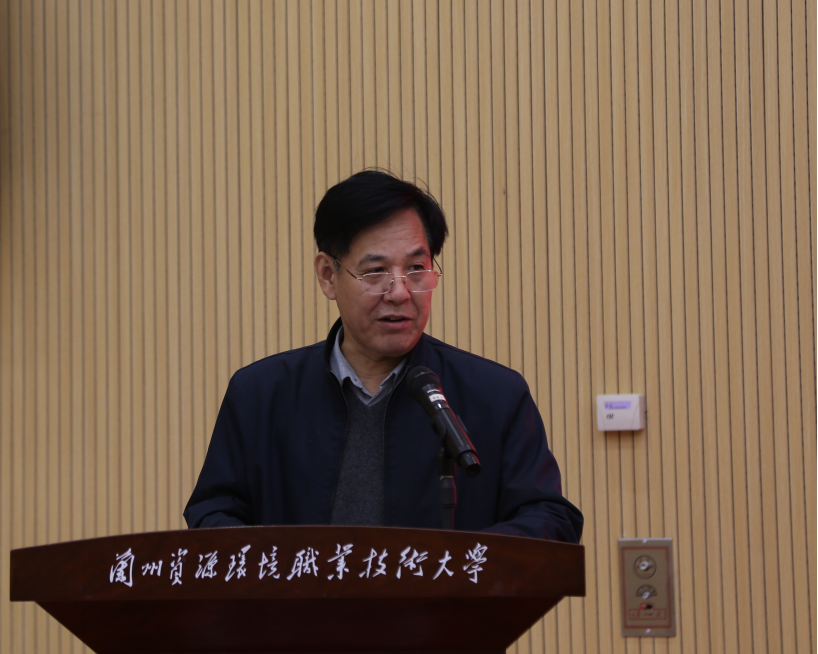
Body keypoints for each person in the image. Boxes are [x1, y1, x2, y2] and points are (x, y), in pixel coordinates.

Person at [184, 170, 583, 542]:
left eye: (416, 268)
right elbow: (214, 512)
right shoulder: (261, 394)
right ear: (328, 275)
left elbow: (549, 516)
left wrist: (460, 568)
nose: (400, 292)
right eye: (376, 271)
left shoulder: (495, 394)